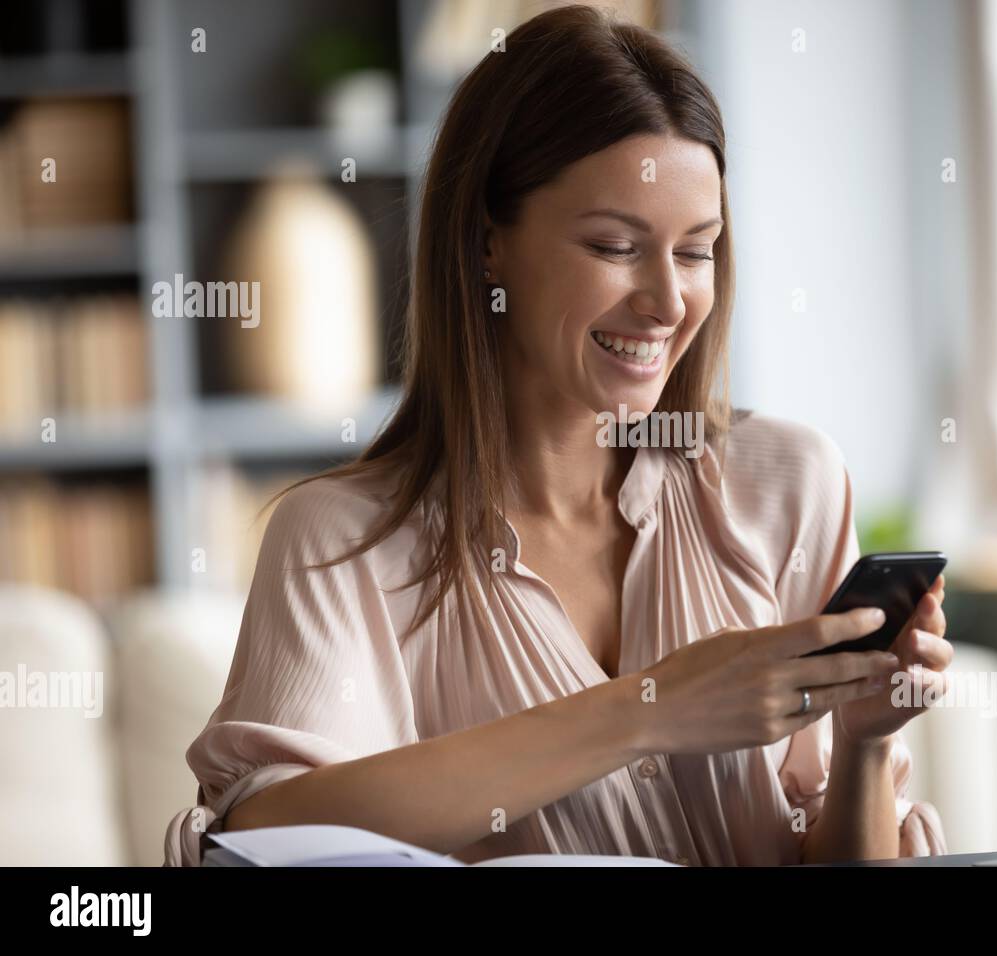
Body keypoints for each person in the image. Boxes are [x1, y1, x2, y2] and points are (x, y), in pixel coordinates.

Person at [164, 4, 950, 867]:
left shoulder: (788, 484)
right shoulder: (341, 542)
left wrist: (868, 743)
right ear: (487, 243)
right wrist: (649, 708)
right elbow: (272, 842)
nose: (667, 301)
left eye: (696, 252)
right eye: (615, 246)